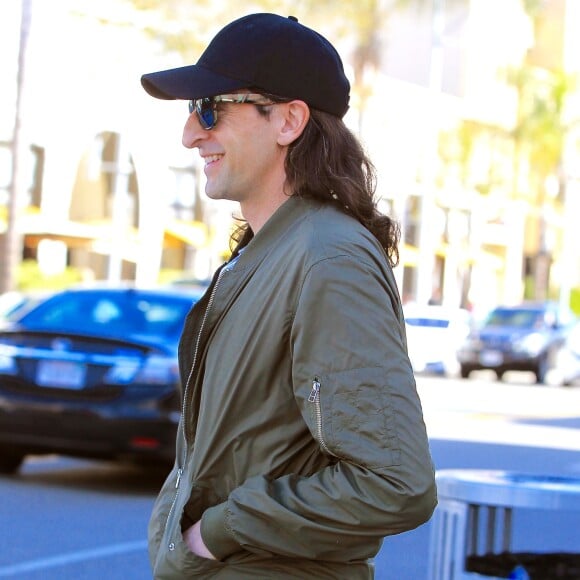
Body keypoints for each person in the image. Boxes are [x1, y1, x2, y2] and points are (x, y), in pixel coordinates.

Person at [141, 12, 437, 579]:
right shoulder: (271, 250)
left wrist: (219, 532)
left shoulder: (329, 258)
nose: (190, 133)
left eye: (211, 108)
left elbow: (396, 483)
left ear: (288, 121)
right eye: (191, 111)